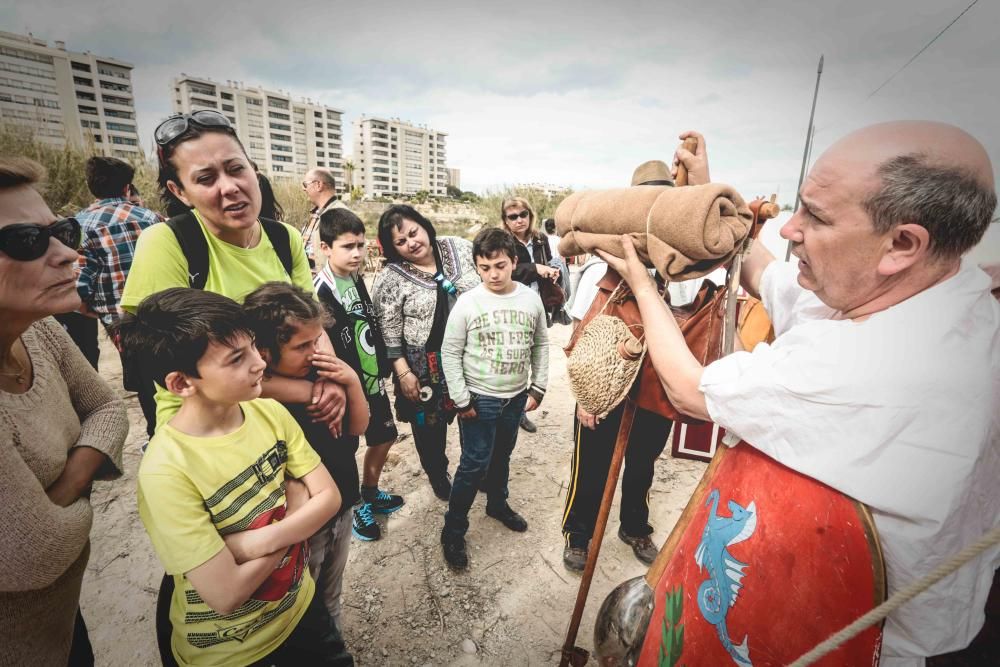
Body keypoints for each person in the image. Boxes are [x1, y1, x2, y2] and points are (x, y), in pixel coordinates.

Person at [599, 124, 999, 665]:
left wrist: (644, 286)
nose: (789, 227)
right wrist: (709, 201)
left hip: (868, 646)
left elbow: (691, 390)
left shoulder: (876, 364)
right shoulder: (944, 289)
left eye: (817, 215)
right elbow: (767, 278)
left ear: (903, 243)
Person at [119, 287, 348, 666]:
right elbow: (226, 594)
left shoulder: (267, 412)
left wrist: (245, 546)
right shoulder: (166, 471)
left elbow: (331, 498)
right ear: (181, 383)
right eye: (237, 358)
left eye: (254, 347)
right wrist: (295, 514)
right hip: (232, 652)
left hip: (301, 607)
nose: (260, 363)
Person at [120, 109, 347, 437]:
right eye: (206, 178)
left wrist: (331, 379)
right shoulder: (167, 243)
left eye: (235, 169)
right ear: (180, 191)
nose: (229, 187)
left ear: (253, 171)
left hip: (289, 415)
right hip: (216, 428)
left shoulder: (285, 239)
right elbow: (186, 368)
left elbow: (314, 329)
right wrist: (311, 392)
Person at [0, 157, 127, 665]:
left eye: (61, 231)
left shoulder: (39, 331)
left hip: (63, 627)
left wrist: (61, 491)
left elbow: (109, 408)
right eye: (27, 241)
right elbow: (36, 552)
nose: (68, 254)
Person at [560, 160, 676, 572]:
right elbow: (580, 336)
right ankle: (579, 534)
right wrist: (584, 395)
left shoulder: (684, 269)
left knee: (643, 462)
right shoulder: (598, 266)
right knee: (591, 463)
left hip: (656, 384)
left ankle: (634, 525)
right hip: (604, 383)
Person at [243, 281, 368, 662]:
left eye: (317, 340)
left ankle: (332, 644)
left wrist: (350, 382)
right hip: (303, 525)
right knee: (302, 600)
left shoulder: (324, 375)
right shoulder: (258, 404)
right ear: (264, 351)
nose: (316, 351)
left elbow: (358, 427)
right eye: (302, 346)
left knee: (331, 592)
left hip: (343, 504)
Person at [439, 227, 549, 569]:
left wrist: (538, 385)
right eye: (484, 268)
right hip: (478, 399)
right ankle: (453, 531)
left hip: (514, 398)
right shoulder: (469, 302)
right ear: (476, 266)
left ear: (514, 262)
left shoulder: (530, 299)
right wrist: (461, 399)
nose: (493, 274)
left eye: (499, 265)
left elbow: (541, 343)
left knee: (502, 455)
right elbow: (450, 351)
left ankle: (497, 505)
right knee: (473, 464)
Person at [372, 205, 480, 500]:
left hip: (472, 354)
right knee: (429, 428)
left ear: (424, 225)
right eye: (401, 241)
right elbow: (388, 329)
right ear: (393, 248)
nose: (411, 242)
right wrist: (403, 372)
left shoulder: (459, 247)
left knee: (477, 415)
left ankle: (476, 467)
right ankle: (437, 472)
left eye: (413, 232)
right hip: (424, 364)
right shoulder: (391, 277)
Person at [314, 208, 403, 541]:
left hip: (371, 380)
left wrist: (379, 368)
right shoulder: (318, 291)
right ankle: (354, 506)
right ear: (325, 248)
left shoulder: (355, 278)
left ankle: (370, 490)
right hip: (345, 386)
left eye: (361, 245)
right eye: (347, 246)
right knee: (347, 447)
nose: (356, 253)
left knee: (384, 435)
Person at [74, 155, 163, 439]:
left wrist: (91, 307)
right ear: (127, 187)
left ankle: (155, 435)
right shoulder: (150, 218)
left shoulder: (80, 225)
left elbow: (80, 280)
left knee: (141, 379)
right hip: (161, 313)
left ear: (92, 188)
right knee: (166, 373)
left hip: (119, 321)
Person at [500, 196, 560, 433]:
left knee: (531, 352)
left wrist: (551, 273)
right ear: (505, 220)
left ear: (530, 215)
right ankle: (507, 408)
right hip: (511, 304)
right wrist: (536, 269)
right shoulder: (503, 241)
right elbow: (506, 272)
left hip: (537, 303)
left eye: (523, 214)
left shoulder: (540, 238)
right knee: (512, 354)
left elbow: (546, 264)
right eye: (512, 216)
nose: (519, 220)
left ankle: (520, 409)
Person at [301, 167, 347, 265]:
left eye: (305, 184)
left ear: (318, 185)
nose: (303, 189)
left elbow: (356, 259)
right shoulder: (316, 214)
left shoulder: (340, 215)